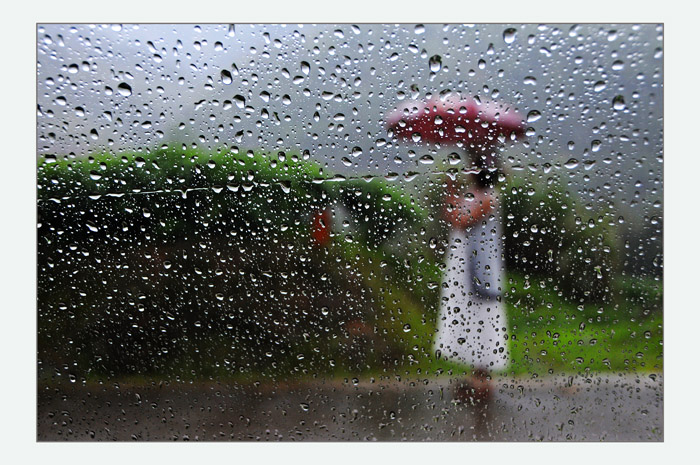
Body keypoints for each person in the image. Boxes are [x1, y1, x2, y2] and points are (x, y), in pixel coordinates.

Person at [434, 167, 508, 407]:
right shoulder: (474, 194)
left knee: (483, 317)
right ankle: (478, 373)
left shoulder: (489, 197)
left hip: (479, 269)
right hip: (466, 267)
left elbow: (461, 220)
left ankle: (484, 377)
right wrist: (451, 192)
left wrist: (452, 193)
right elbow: (453, 215)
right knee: (470, 316)